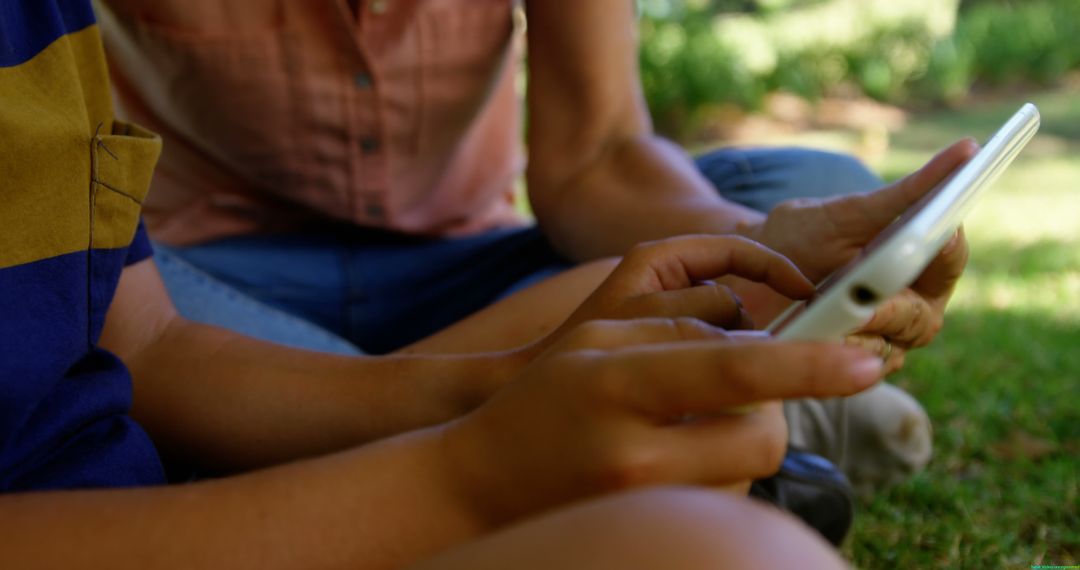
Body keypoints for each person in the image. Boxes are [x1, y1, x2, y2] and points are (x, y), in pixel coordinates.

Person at [0, 1, 977, 567]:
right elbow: (140, 328)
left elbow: (596, 155)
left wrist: (757, 245)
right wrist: (467, 466)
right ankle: (689, 384)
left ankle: (648, 370)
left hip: (467, 268)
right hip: (213, 270)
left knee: (810, 187)